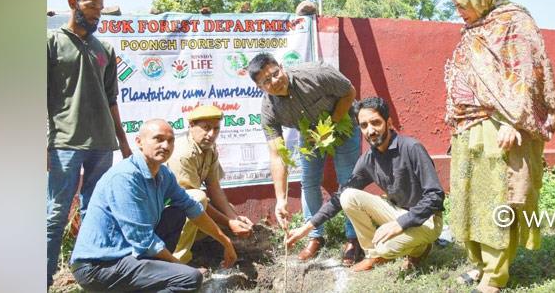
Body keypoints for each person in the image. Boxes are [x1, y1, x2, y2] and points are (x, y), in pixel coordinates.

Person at [443, 0, 555, 293]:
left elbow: (529, 75)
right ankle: (479, 266)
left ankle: (495, 276)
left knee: (497, 200)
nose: (458, 12)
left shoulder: (516, 24)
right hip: (468, 127)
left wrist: (513, 121)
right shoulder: (473, 29)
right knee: (469, 200)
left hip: (501, 128)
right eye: (455, 5)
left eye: (462, 4)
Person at [70, 119, 237, 292]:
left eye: (170, 140)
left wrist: (226, 241)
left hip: (126, 254)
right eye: (158, 139)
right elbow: (143, 240)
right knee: (189, 279)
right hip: (99, 266)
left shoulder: (163, 174)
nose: (166, 146)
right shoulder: (124, 178)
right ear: (139, 142)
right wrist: (180, 267)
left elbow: (192, 208)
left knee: (176, 213)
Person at [284, 97, 444, 273]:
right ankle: (374, 255)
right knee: (348, 195)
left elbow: (435, 196)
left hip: (427, 219)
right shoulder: (368, 160)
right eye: (364, 125)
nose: (371, 130)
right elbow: (339, 198)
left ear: (389, 123)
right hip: (397, 214)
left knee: (386, 247)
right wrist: (306, 228)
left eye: (375, 122)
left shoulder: (411, 148)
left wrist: (401, 223)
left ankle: (420, 248)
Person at [46, 0, 134, 287]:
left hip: (101, 144)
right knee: (55, 215)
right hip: (65, 143)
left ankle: (88, 278)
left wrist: (123, 143)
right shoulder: (50, 42)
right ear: (73, 3)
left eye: (99, 7)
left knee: (94, 213)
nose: (97, 13)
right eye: (91, 6)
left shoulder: (105, 49)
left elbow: (111, 100)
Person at [248, 53, 365, 265]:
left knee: (348, 182)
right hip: (310, 133)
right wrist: (281, 200)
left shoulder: (315, 73)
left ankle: (353, 238)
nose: (274, 81)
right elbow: (277, 155)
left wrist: (329, 127)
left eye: (275, 74)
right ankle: (314, 236)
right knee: (309, 181)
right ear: (260, 87)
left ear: (281, 67)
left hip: (343, 121)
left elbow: (349, 92)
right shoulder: (268, 110)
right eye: (266, 81)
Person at [166, 105, 255, 264]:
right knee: (198, 199)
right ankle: (177, 261)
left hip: (181, 211)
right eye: (206, 128)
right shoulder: (182, 153)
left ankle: (201, 248)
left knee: (230, 210)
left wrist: (234, 219)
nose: (211, 134)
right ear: (191, 126)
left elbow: (214, 187)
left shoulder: (210, 149)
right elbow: (189, 202)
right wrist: (228, 222)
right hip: (161, 217)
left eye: (216, 129)